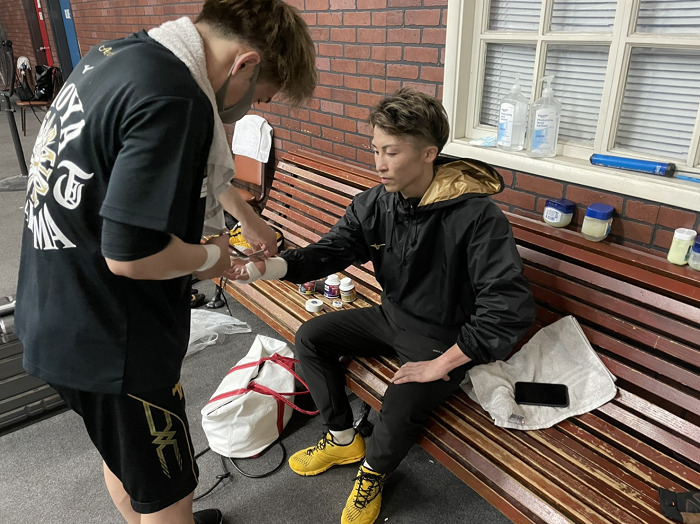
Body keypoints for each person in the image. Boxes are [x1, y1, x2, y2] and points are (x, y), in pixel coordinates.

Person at [14, 1, 316, 523]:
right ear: (244, 64)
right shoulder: (177, 97)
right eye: (259, 97)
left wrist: (247, 217)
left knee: (128, 457)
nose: (248, 109)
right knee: (168, 488)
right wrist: (212, 257)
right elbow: (131, 256)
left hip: (54, 309)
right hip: (115, 338)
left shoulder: (119, 57)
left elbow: (168, 172)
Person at [228, 87, 536, 524]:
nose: (378, 163)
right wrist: (268, 267)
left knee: (402, 399)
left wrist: (443, 363)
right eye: (375, 149)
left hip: (442, 336)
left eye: (391, 152)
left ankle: (373, 473)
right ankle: (342, 439)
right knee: (311, 337)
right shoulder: (376, 203)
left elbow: (508, 307)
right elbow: (330, 251)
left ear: (429, 153)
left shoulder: (477, 217)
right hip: (392, 316)